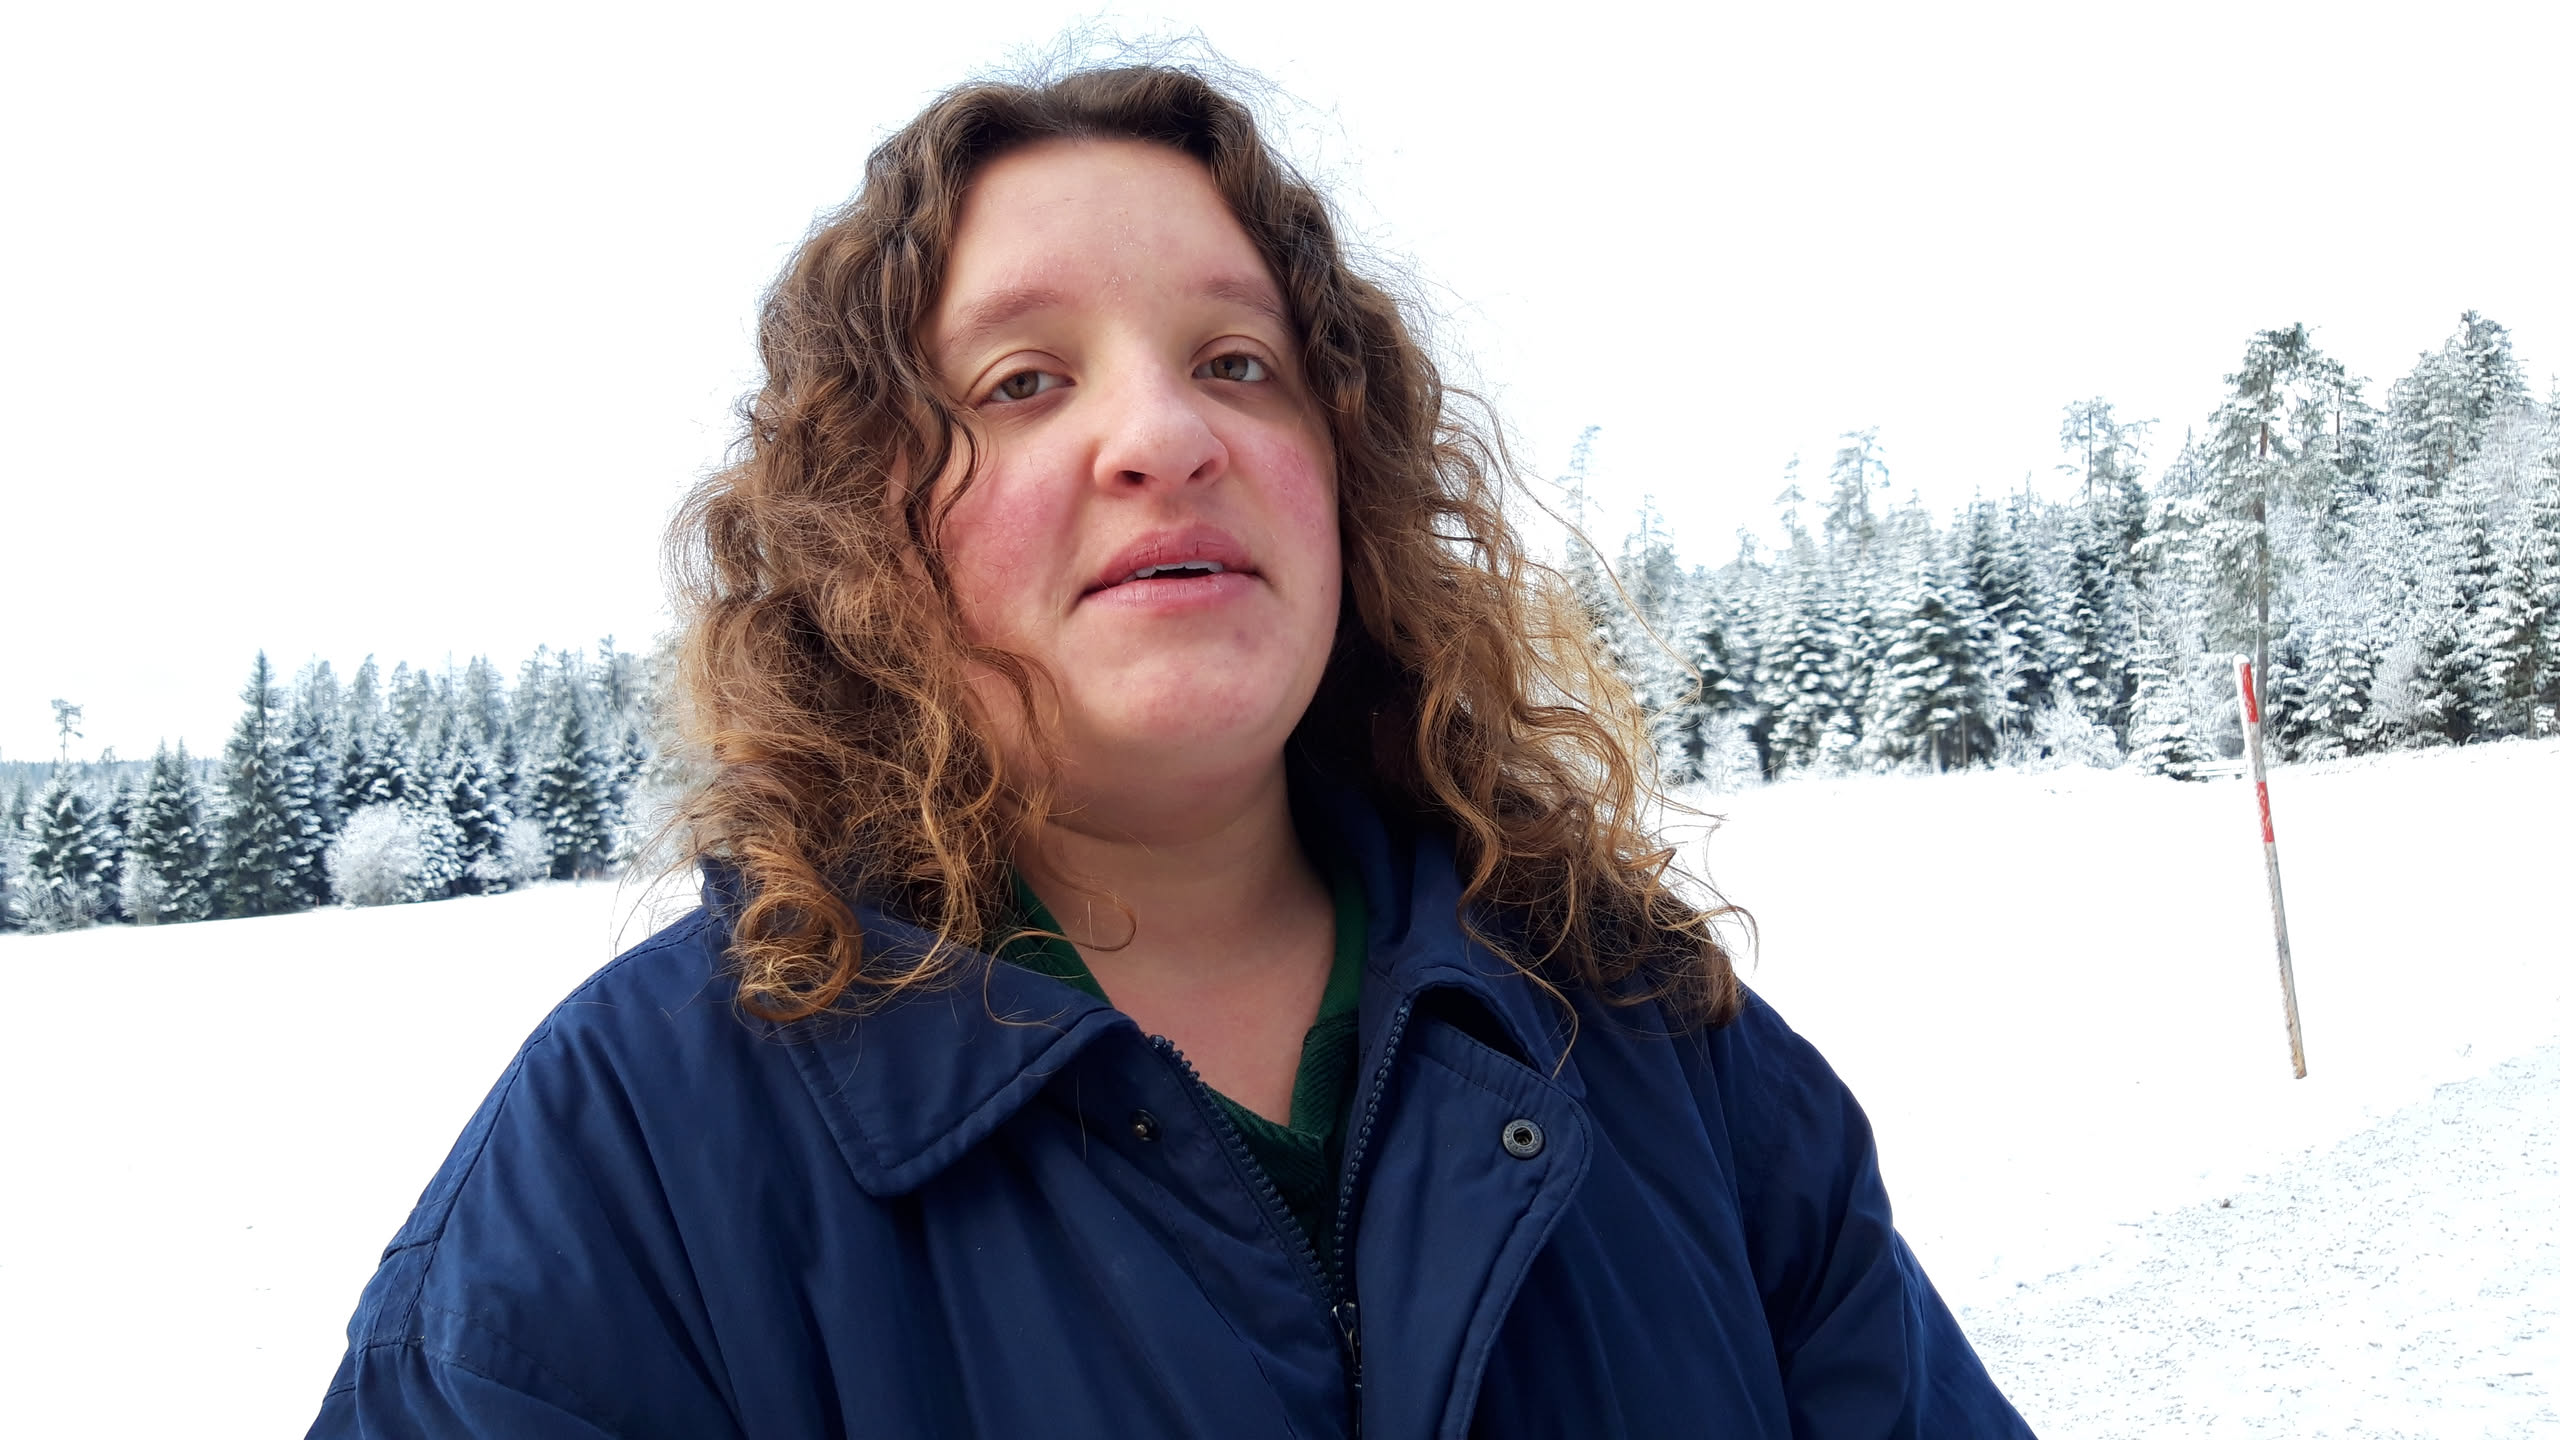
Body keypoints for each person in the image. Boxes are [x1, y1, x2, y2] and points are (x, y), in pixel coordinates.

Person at [309, 61, 2034, 1439]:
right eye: (1020, 382)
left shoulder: (1655, 1041)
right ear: (861, 533)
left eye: (1237, 361)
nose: (1165, 433)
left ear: (1345, 477)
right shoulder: (625, 1164)